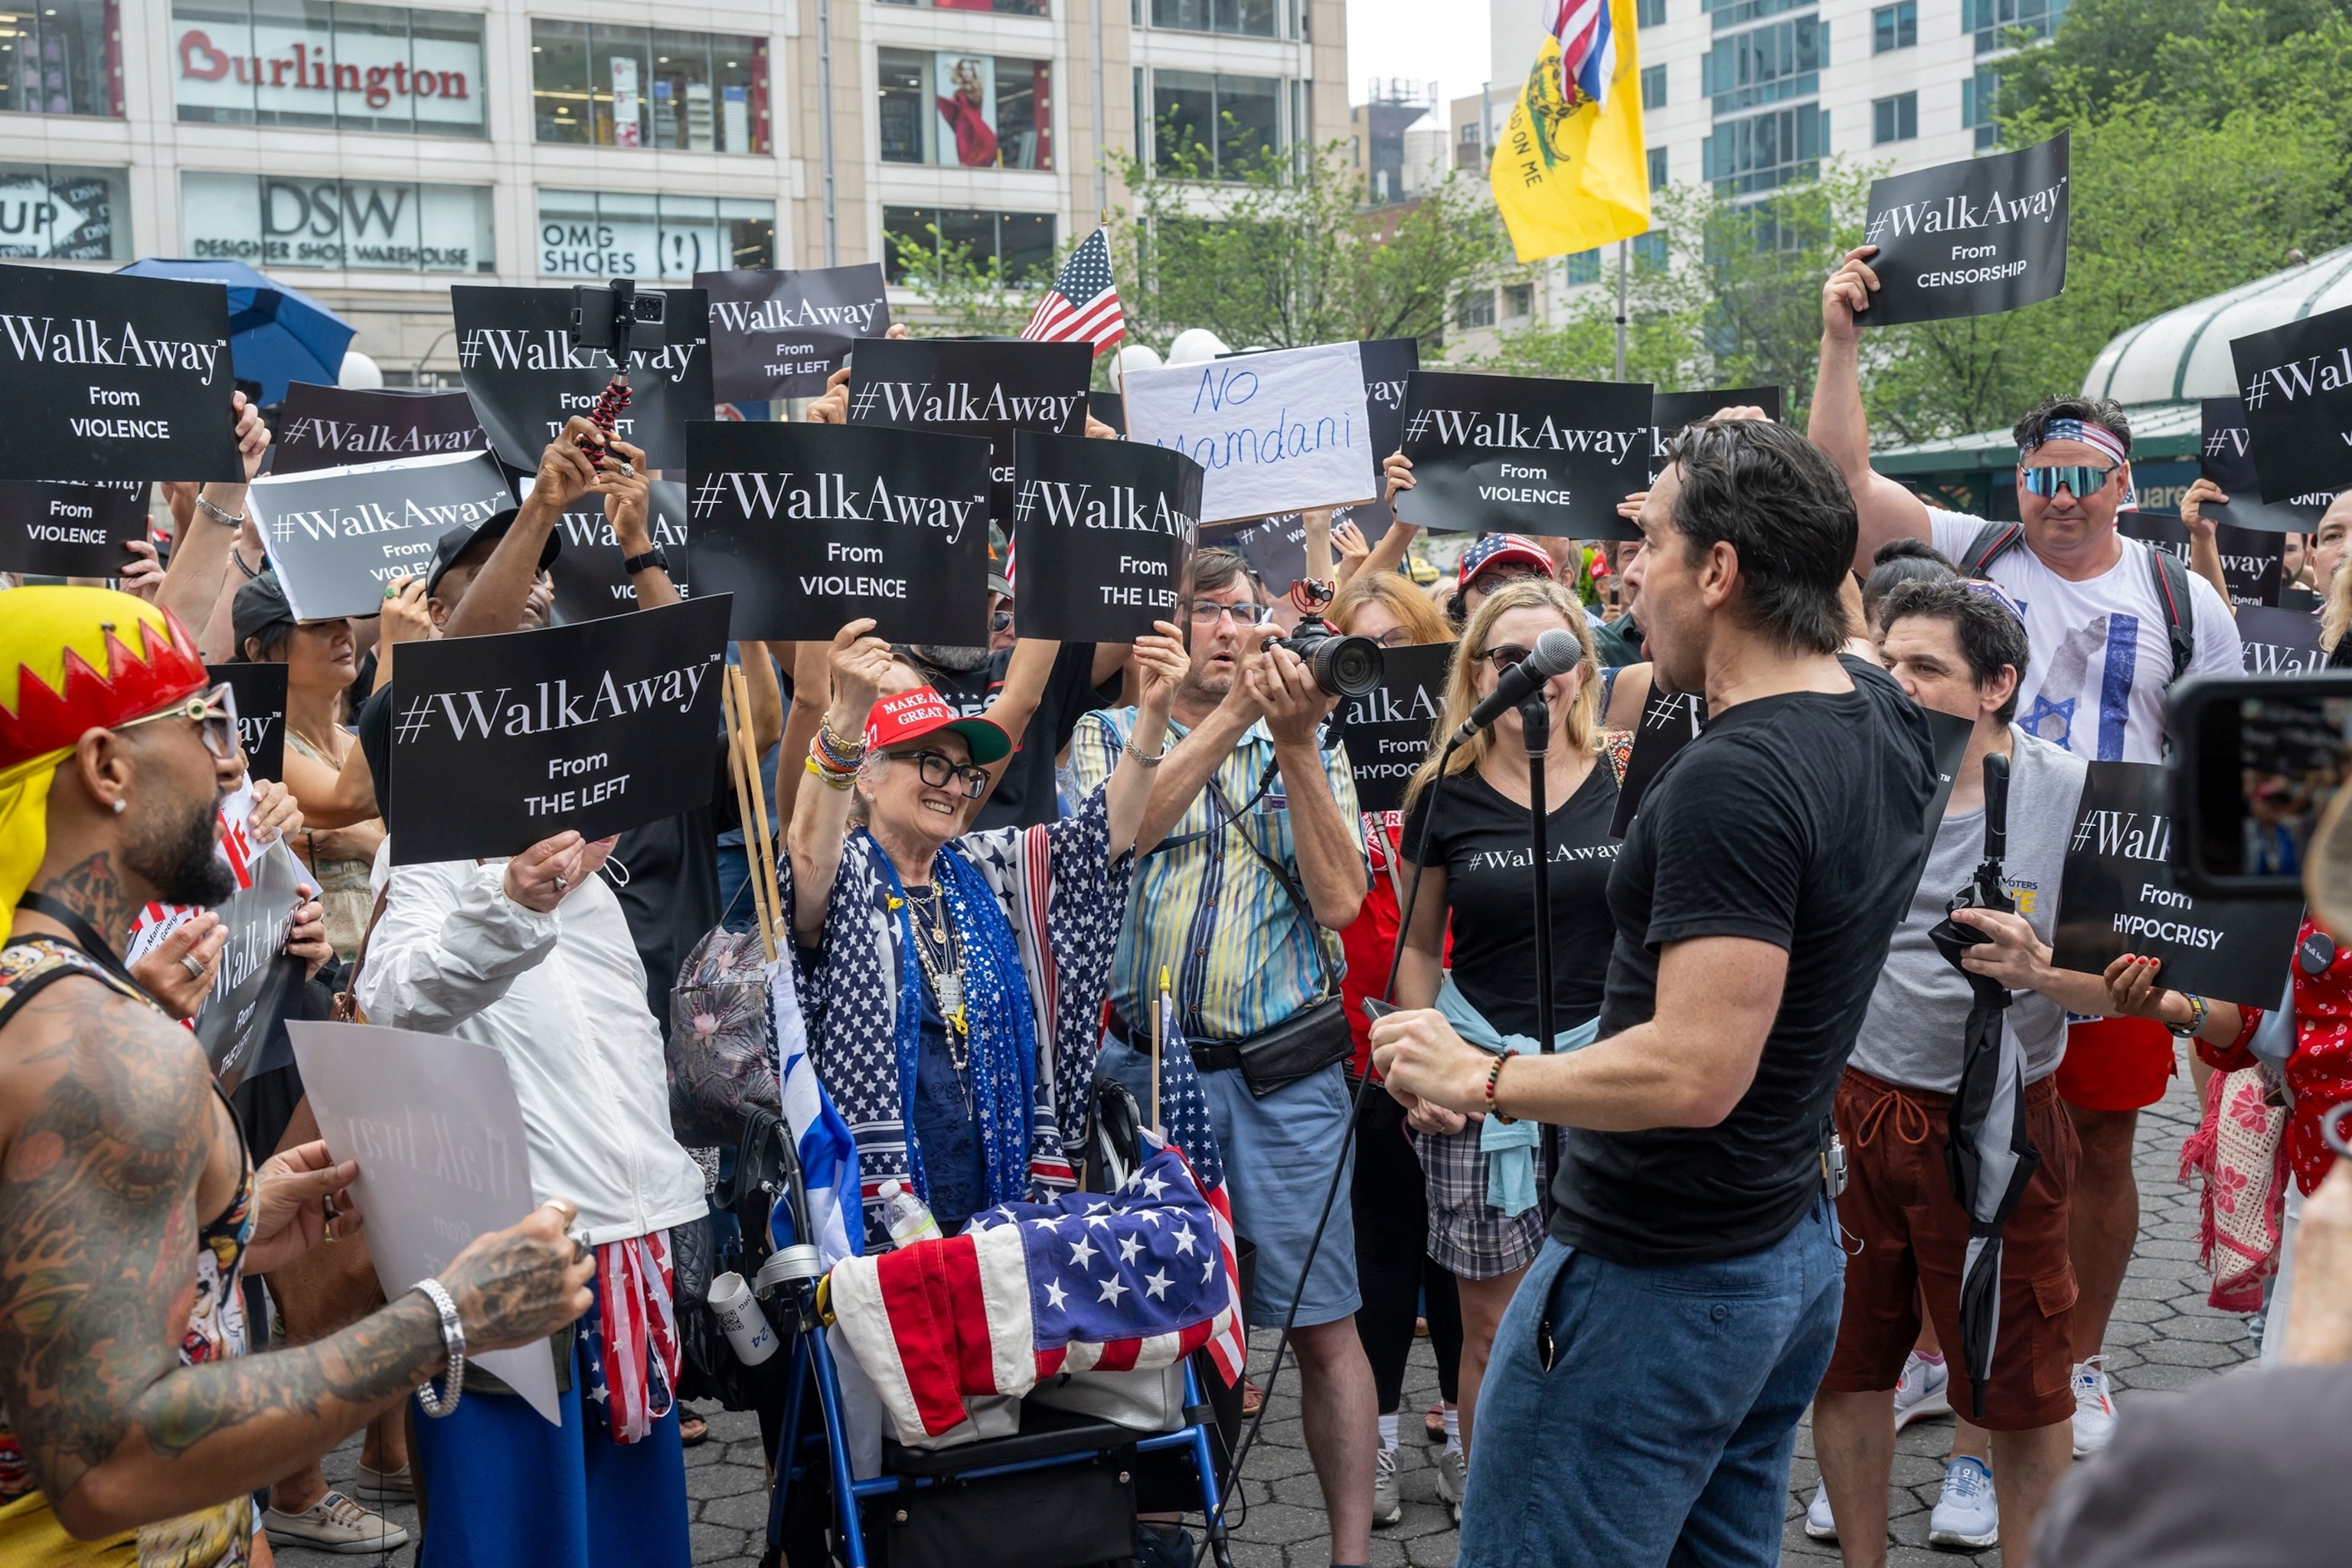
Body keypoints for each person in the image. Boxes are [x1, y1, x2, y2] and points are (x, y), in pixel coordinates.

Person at [1372, 419, 1936, 1567]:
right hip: (1783, 1251)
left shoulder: (1738, 779)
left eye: (1656, 542)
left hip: (1660, 1279)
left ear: (1721, 571)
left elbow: (1693, 1071)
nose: (1630, 574)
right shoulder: (1886, 709)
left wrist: (1481, 1077)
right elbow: (1848, 581)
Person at [0, 586, 591, 1563]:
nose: (236, 762)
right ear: (106, 765)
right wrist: (448, 1314)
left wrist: (226, 1229)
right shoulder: (104, 1048)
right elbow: (110, 1462)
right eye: (207, 723)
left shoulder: (52, 1003)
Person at [1812, 246, 2245, 1455]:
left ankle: (2081, 1360)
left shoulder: (2180, 597)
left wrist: (2205, 921)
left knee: (2090, 1138)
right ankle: (1941, 1353)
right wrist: (1842, 340)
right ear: (2020, 483)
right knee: (1930, 1122)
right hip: (1959, 865)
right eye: (2040, 475)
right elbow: (1841, 487)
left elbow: (2218, 763)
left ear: (2124, 483)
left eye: (2084, 476)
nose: (2059, 496)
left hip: (2111, 886)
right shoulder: (1979, 550)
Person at [354, 423, 712, 1568]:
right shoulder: (423, 840)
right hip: (503, 1259)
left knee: (628, 1535)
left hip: (625, 1240)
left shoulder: (592, 847)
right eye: (497, 608)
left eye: (541, 606)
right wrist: (507, 905)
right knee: (513, 1537)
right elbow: (397, 1004)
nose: (528, 619)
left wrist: (660, 1197)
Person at [1072, 547, 1378, 1568]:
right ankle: (1159, 1542)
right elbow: (1127, 834)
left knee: (1323, 1327)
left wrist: (1293, 743)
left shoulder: (1313, 741)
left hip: (1283, 1083)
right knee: (1151, 1325)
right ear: (1167, 630)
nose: (1230, 628)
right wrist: (1235, 718)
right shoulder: (1111, 734)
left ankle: (1346, 1555)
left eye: (1245, 611)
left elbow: (1341, 901)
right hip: (1146, 1079)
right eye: (1207, 612)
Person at [1806, 577, 2101, 1565]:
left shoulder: (2073, 790)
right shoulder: (1846, 768)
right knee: (1846, 1370)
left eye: (1924, 667)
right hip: (1857, 1112)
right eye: (1886, 660)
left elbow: (2132, 988)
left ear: (1998, 683)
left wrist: (2041, 970)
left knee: (2021, 1391)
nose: (1895, 681)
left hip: (2005, 1126)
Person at [783, 619, 1188, 1237]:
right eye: (931, 764)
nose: (954, 786)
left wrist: (1154, 716)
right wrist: (845, 720)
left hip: (998, 1190)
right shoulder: (846, 875)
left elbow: (1104, 837)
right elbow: (809, 853)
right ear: (867, 775)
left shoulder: (986, 868)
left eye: (965, 772)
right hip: (881, 1202)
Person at [1392, 578, 1620, 1524]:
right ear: (1476, 671)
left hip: (1607, 1074)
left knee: (1610, 1313)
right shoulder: (1441, 790)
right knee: (1493, 1327)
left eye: (1552, 653)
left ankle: (1597, 1508)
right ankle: (1503, 1522)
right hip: (1480, 1078)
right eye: (1507, 656)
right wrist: (1429, 1057)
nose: (1533, 673)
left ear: (1582, 667)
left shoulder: (1628, 772)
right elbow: (1413, 942)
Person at [1325, 571, 1464, 1527]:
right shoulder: (1321, 757)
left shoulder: (1464, 756)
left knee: (1460, 1256)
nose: (1374, 672)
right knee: (1379, 1246)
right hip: (1363, 1037)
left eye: (1393, 647)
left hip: (1468, 1026)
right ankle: (1370, 1431)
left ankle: (1456, 1424)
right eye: (1354, 650)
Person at [231, 574, 381, 962]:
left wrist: (369, 845)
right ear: (259, 651)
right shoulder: (261, 752)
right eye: (317, 626)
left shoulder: (353, 743)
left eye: (344, 622)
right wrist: (401, 652)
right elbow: (352, 798)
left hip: (392, 967)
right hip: (330, 979)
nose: (342, 635)